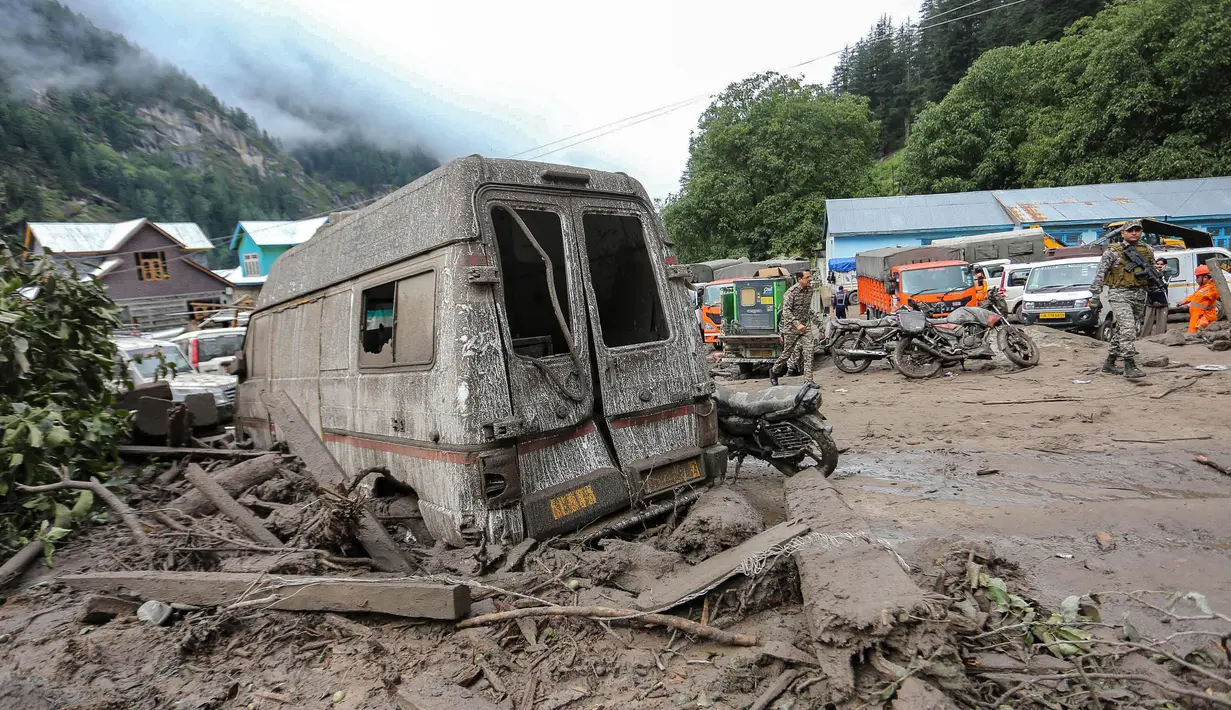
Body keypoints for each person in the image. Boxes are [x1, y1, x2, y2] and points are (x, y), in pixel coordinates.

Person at [1089, 219, 1157, 379]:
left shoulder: (1147, 249)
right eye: (1130, 230)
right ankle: (1129, 364)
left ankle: (1109, 363)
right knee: (1128, 329)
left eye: (1137, 230)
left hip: (1139, 293)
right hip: (1119, 293)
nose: (1134, 233)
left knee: (1122, 330)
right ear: (1122, 233)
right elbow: (1100, 274)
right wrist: (1095, 296)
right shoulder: (1113, 251)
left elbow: (1151, 270)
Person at [770, 270, 815, 386]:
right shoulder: (790, 293)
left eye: (810, 277)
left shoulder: (810, 290)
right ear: (799, 279)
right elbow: (786, 312)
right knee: (787, 353)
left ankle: (808, 381)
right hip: (791, 327)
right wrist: (797, 324)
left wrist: (805, 323)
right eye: (807, 277)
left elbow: (807, 309)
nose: (810, 279)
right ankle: (774, 372)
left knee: (809, 352)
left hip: (805, 326)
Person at [1179, 264, 1221, 332]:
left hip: (1204, 317)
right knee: (1193, 330)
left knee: (1196, 332)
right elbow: (1195, 296)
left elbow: (1216, 294)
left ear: (1205, 278)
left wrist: (1212, 282)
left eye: (1198, 277)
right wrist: (1185, 301)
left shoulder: (1211, 288)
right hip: (1198, 316)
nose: (1196, 279)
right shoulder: (1203, 288)